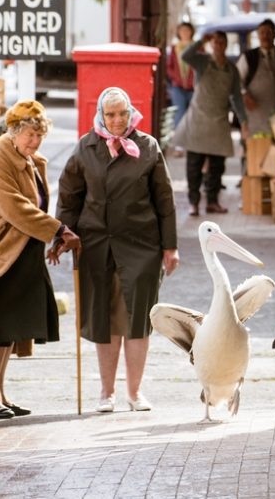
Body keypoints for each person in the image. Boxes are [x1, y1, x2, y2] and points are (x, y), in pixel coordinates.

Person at [56, 86, 180, 413]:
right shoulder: (86, 147)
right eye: (110, 114)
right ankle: (106, 392)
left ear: (130, 113)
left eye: (122, 113)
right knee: (105, 320)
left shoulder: (148, 147)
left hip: (142, 246)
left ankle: (135, 393)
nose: (116, 120)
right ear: (101, 114)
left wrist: (170, 247)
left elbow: (165, 201)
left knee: (137, 319)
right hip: (96, 246)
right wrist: (61, 234)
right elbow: (69, 197)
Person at [0, 100, 80, 420]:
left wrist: (51, 235)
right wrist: (56, 230)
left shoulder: (30, 159)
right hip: (0, 251)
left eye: (40, 135)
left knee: (12, 326)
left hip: (22, 249)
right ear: (13, 132)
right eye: (30, 134)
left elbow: (35, 206)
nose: (35, 141)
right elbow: (14, 206)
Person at [169, 31, 246, 216]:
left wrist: (244, 122)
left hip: (219, 120)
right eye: (215, 42)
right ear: (211, 44)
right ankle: (193, 203)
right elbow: (185, 55)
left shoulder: (231, 69)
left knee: (217, 166)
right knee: (194, 165)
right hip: (198, 119)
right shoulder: (202, 61)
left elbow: (236, 98)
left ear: (226, 44)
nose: (218, 45)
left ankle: (212, 201)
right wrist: (201, 40)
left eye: (222, 42)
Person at [236, 18, 275, 136]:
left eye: (268, 32)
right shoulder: (248, 57)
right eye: (262, 33)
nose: (265, 36)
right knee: (259, 148)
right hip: (256, 115)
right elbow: (236, 79)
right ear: (257, 35)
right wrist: (244, 94)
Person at [166, 22, 197, 129]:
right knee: (179, 113)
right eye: (182, 30)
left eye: (187, 30)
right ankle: (179, 141)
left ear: (191, 32)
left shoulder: (197, 47)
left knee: (194, 114)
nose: (184, 33)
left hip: (194, 87)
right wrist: (176, 78)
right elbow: (169, 67)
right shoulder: (175, 48)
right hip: (178, 86)